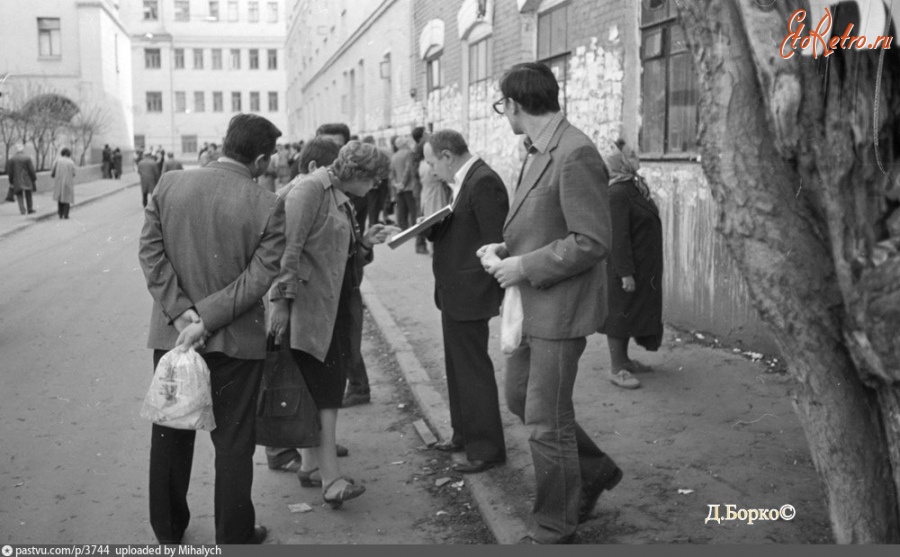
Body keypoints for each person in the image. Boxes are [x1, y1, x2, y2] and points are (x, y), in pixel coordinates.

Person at [480, 62, 622, 544]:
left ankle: (554, 525)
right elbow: (543, 223)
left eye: (503, 107)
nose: (505, 115)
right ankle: (595, 468)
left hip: (560, 311)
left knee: (546, 420)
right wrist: (505, 251)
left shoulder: (575, 152)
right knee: (522, 400)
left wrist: (523, 267)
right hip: (533, 306)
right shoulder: (540, 147)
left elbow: (592, 240)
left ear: (515, 105)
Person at [138, 113, 285, 545]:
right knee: (235, 443)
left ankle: (167, 529)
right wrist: (207, 318)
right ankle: (235, 534)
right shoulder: (268, 204)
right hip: (236, 344)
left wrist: (183, 314)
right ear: (259, 159)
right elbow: (260, 277)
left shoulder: (169, 184)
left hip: (174, 339)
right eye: (270, 158)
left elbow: (150, 253)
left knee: (170, 434)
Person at [267, 140, 395, 508]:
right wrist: (281, 304)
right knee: (324, 393)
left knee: (321, 389)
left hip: (328, 305)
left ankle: (310, 466)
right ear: (356, 174)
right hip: (307, 308)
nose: (374, 189)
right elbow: (286, 251)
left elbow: (338, 252)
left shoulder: (337, 194)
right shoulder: (311, 189)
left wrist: (366, 243)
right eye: (372, 181)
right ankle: (332, 481)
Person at [423, 129, 508, 473]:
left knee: (472, 371)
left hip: (470, 292)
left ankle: (486, 449)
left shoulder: (483, 180)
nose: (431, 171)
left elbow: (495, 240)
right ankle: (463, 434)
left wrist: (485, 288)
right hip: (455, 291)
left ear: (446, 155)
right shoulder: (466, 179)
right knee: (458, 368)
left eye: (433, 163)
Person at [263, 138, 350, 473]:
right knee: (292, 378)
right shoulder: (300, 194)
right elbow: (288, 253)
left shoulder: (318, 192)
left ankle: (310, 456)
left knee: (302, 380)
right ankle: (287, 451)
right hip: (296, 300)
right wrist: (280, 302)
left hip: (312, 299)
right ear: (315, 168)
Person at [599, 140, 663, 389]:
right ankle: (616, 369)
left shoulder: (631, 186)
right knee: (619, 313)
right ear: (619, 160)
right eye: (630, 155)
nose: (636, 157)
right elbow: (618, 237)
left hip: (639, 266)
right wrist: (625, 272)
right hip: (623, 269)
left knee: (629, 312)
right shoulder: (617, 192)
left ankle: (624, 360)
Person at [6, 145, 37, 215]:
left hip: (16, 179)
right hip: (26, 178)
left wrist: (10, 180)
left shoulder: (12, 159)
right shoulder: (27, 158)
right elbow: (31, 170)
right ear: (22, 150)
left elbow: (10, 171)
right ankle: (30, 209)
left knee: (19, 194)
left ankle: (22, 210)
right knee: (28, 193)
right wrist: (33, 178)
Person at [51, 148, 77, 219]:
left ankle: (60, 213)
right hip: (68, 182)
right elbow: (74, 173)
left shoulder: (57, 161)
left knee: (60, 198)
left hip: (59, 181)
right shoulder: (71, 162)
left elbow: (53, 171)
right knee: (67, 198)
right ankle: (66, 214)